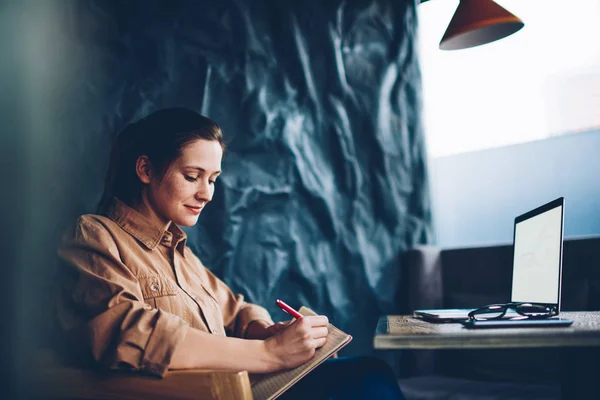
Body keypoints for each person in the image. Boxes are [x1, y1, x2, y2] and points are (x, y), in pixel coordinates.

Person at [55, 107, 405, 399]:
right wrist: (269, 354)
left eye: (213, 178)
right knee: (366, 379)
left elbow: (235, 307)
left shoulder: (180, 254)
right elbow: (131, 333)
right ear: (146, 170)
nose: (206, 193)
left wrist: (263, 330)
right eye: (193, 176)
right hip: (198, 393)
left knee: (368, 374)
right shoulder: (94, 235)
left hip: (237, 388)